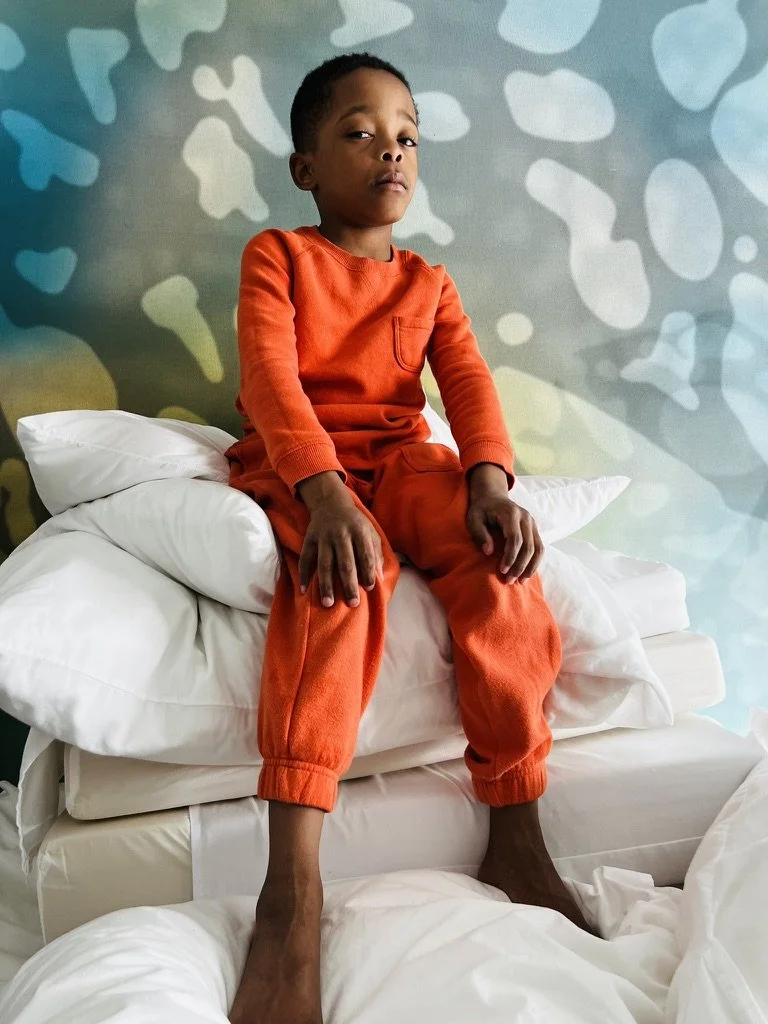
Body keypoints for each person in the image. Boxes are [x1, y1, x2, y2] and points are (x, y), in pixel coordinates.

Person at [225, 51, 593, 1024]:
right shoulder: (278, 255)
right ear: (305, 167)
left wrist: (489, 483)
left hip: (400, 458)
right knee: (345, 580)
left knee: (502, 571)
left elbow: (466, 384)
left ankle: (517, 829)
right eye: (359, 132)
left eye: (407, 137)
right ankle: (290, 888)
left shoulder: (428, 281)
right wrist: (323, 493)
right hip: (304, 464)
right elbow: (269, 377)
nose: (390, 149)